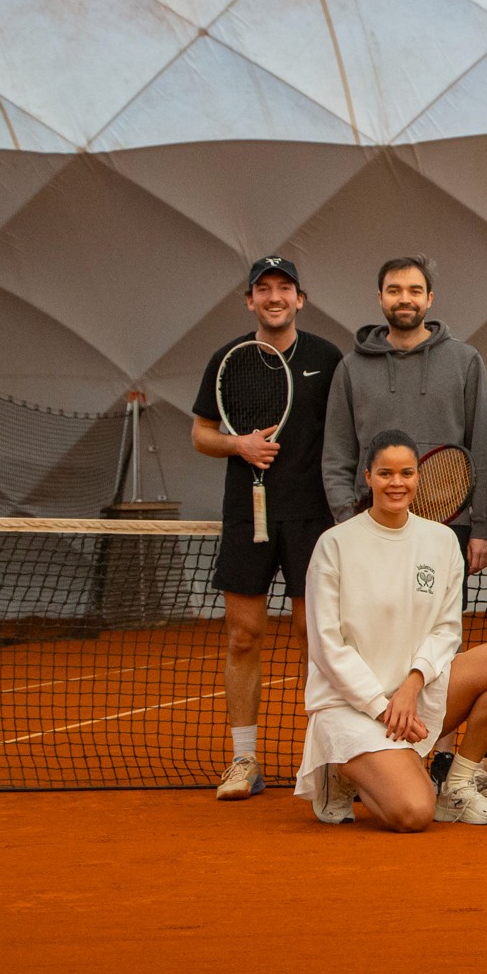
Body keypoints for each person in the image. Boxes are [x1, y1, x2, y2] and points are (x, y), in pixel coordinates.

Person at [295, 430, 487, 831]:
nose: (397, 483)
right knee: (413, 814)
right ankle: (342, 770)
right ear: (368, 477)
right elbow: (326, 645)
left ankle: (456, 785)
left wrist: (410, 686)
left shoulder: (441, 542)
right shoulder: (333, 545)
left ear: (418, 477)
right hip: (350, 704)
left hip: (413, 695)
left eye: (406, 473)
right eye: (385, 473)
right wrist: (381, 706)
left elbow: (446, 630)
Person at [190, 257, 344, 802]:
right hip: (246, 514)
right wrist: (239, 445)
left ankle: (321, 757)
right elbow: (202, 433)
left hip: (312, 518)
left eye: (284, 288)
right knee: (242, 636)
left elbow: (344, 434)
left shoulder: (328, 359)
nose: (274, 297)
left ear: (300, 298)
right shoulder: (229, 360)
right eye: (263, 289)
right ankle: (244, 758)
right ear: (249, 299)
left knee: (314, 640)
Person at [322, 255, 487, 573]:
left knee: (440, 624)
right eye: (394, 290)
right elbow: (337, 458)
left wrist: (483, 528)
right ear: (380, 298)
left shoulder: (466, 361)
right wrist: (351, 521)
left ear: (429, 299)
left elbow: (484, 449)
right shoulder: (350, 368)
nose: (405, 299)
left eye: (415, 290)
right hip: (372, 525)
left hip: (447, 527)